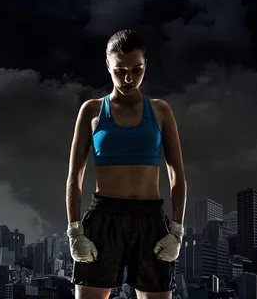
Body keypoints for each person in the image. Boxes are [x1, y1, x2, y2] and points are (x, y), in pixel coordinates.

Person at [65, 29, 187, 299]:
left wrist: (177, 231)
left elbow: (176, 173)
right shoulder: (92, 110)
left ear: (145, 66)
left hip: (151, 222)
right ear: (108, 66)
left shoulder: (161, 110)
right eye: (120, 70)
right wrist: (75, 231)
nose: (129, 78)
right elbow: (75, 175)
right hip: (104, 219)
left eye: (137, 69)